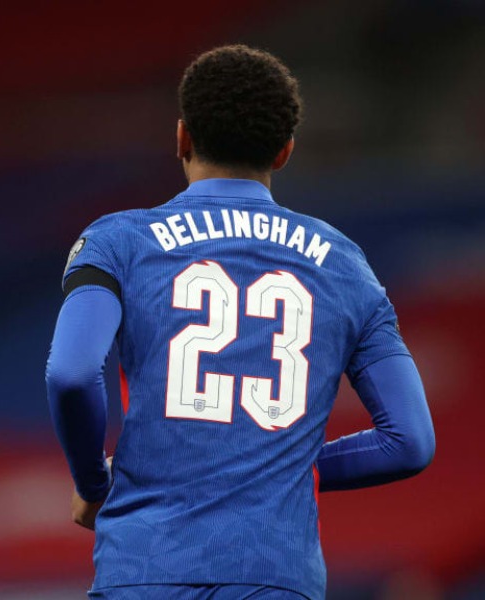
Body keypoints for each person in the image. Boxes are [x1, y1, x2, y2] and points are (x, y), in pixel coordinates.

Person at [46, 45, 435, 600]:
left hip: (145, 568)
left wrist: (92, 482)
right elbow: (409, 441)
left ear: (182, 137)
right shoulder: (344, 263)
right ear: (285, 151)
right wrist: (281, 467)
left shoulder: (117, 241)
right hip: (276, 574)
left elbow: (72, 373)